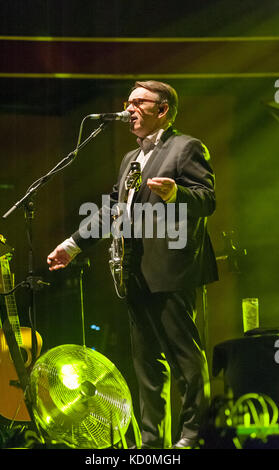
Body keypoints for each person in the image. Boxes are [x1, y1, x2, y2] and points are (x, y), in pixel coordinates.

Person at [47, 80, 218, 449]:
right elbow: (112, 210)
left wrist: (178, 194)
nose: (130, 109)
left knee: (185, 359)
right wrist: (73, 245)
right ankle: (153, 442)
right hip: (134, 272)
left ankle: (194, 435)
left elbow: (207, 200)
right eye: (128, 102)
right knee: (147, 365)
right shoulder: (130, 159)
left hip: (172, 269)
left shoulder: (185, 147)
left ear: (163, 109)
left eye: (140, 102)